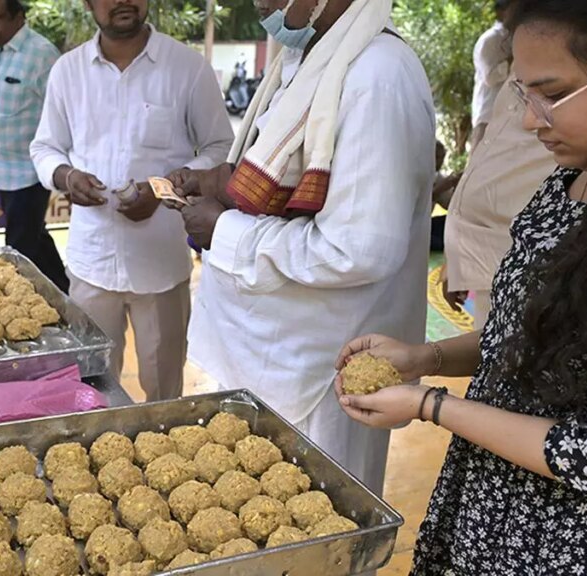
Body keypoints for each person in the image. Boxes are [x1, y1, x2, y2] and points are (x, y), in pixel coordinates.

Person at [336, 1, 587, 573]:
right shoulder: (570, 182)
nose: (530, 120)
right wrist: (425, 356)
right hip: (496, 503)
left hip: (583, 543)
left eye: (553, 92)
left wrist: (430, 405)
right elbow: (524, 336)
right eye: (524, 93)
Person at [174, 0, 435, 495]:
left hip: (321, 374)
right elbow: (277, 182)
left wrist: (224, 231)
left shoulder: (376, 74)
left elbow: (359, 248)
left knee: (313, 534)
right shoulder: (305, 59)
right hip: (272, 357)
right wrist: (215, 185)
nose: (261, 6)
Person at [30, 0, 233, 401]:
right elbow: (45, 147)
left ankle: (166, 462)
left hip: (160, 263)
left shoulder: (187, 67)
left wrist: (163, 188)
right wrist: (66, 176)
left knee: (164, 391)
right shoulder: (68, 72)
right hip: (92, 263)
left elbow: (219, 147)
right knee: (93, 388)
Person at [0, 0, 69, 292]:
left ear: (18, 17)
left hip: (29, 171)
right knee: (34, 236)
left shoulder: (42, 54)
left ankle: (24, 307)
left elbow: (64, 112)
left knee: (19, 246)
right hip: (0, 170)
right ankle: (64, 289)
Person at [442, 76, 556, 327]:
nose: (530, 120)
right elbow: (494, 151)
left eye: (553, 94)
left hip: (530, 267)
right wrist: (460, 256)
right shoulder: (522, 72)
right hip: (488, 257)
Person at [471, 0, 515, 147]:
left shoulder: (514, 37)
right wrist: (513, 60)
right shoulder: (490, 40)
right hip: (488, 113)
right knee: (479, 163)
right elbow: (490, 77)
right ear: (501, 11)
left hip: (508, 115)